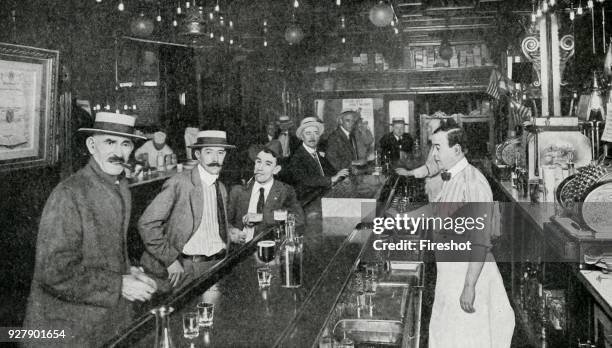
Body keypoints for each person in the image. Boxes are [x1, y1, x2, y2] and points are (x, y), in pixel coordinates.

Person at [23, 112, 158, 347]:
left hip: (103, 322)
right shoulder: (69, 194)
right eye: (110, 142)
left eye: (125, 143)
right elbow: (53, 271)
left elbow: (105, 253)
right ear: (91, 145)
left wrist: (130, 271)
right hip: (64, 331)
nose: (118, 152)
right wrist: (120, 284)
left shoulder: (121, 187)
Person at [425, 123, 514, 347]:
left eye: (437, 147)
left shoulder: (473, 182)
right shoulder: (451, 178)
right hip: (451, 273)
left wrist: (469, 286)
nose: (434, 154)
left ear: (456, 150)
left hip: (469, 275)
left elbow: (480, 239)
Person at [138, 130, 237, 292]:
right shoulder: (180, 183)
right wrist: (169, 259)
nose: (215, 159)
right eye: (209, 152)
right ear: (197, 155)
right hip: (189, 269)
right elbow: (147, 223)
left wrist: (231, 231)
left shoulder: (221, 188)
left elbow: (210, 223)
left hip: (218, 264)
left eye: (220, 152)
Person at [228, 141, 305, 243]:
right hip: (240, 249)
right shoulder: (238, 190)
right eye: (258, 162)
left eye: (267, 164)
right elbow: (224, 222)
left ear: (276, 169)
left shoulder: (285, 191)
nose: (260, 168)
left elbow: (299, 219)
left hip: (270, 247)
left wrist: (262, 217)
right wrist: (230, 231)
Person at [395, 117, 457, 200]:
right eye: (427, 127)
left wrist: (408, 173)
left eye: (430, 128)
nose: (427, 130)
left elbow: (432, 167)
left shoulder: (441, 145)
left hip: (438, 188)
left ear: (439, 131)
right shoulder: (434, 144)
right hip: (433, 188)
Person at [287, 117, 349, 200]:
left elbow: (332, 172)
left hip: (324, 196)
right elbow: (306, 180)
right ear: (302, 136)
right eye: (308, 133)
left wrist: (340, 176)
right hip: (308, 201)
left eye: (316, 133)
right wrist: (331, 179)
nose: (313, 137)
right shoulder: (297, 157)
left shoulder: (318, 154)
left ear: (319, 136)